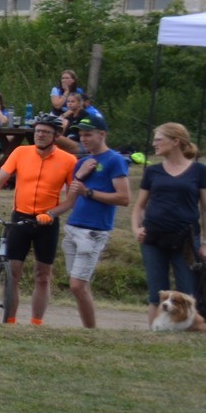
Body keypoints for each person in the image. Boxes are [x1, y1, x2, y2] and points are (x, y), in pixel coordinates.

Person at [0, 113, 76, 325]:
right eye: (37, 131)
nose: (40, 135)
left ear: (56, 136)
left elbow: (71, 201)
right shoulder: (21, 152)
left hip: (47, 222)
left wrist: (51, 214)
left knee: (43, 276)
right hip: (20, 217)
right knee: (13, 273)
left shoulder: (69, 161)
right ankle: (9, 321)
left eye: (46, 132)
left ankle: (36, 323)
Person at [54, 116, 129, 328]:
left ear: (102, 134)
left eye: (88, 134)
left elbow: (124, 198)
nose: (83, 139)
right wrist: (79, 175)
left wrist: (89, 192)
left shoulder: (115, 160)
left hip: (94, 230)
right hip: (73, 226)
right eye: (81, 135)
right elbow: (71, 198)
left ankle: (90, 329)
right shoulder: (81, 163)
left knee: (77, 285)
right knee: (80, 284)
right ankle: (89, 328)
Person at [130, 122, 206, 323]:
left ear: (175, 141)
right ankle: (154, 334)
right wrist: (136, 228)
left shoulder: (199, 170)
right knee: (156, 293)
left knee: (188, 293)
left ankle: (188, 334)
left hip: (186, 239)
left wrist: (205, 243)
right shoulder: (152, 171)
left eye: (158, 139)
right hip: (153, 237)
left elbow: (205, 209)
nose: (154, 143)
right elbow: (139, 206)